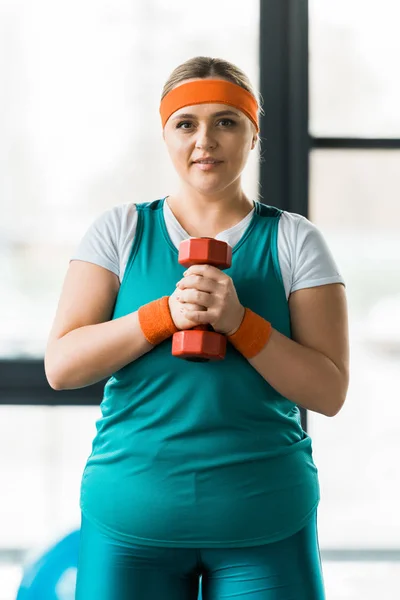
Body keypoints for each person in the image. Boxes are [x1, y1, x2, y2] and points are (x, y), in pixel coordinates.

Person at [44, 56, 349, 599]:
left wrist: (239, 323)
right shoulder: (120, 230)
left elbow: (328, 391)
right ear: (166, 136)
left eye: (226, 121)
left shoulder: (296, 240)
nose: (205, 139)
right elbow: (62, 367)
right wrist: (163, 315)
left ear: (253, 135)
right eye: (186, 123)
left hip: (264, 521)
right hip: (131, 521)